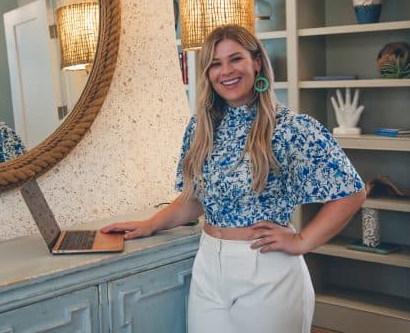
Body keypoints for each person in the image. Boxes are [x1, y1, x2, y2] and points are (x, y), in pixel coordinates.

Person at [101, 24, 365, 333]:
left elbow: (352, 191)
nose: (225, 71)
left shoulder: (292, 127)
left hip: (267, 269)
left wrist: (301, 241)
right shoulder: (201, 127)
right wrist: (150, 225)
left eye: (235, 59)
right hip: (209, 264)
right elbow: (196, 198)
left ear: (256, 62)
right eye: (214, 63)